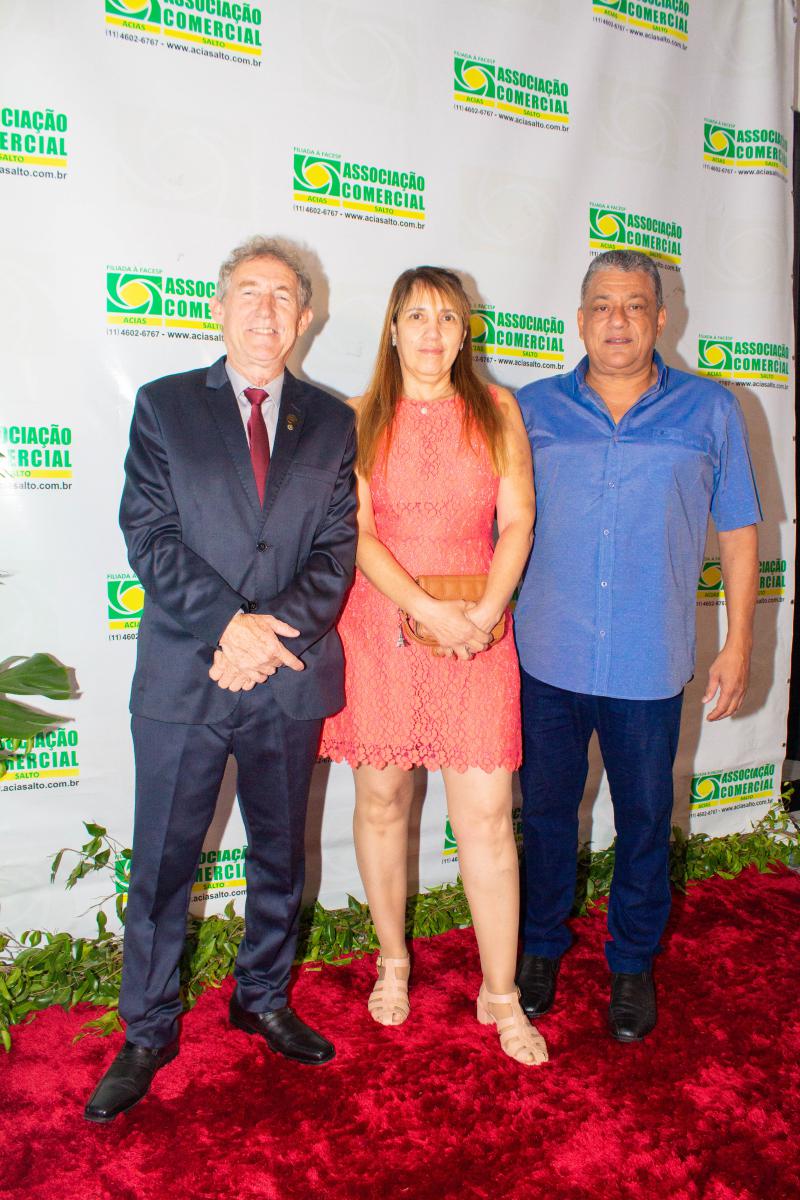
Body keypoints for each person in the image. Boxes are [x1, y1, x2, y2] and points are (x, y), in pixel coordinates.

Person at [84, 237, 357, 1122]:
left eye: (282, 296)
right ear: (217, 305)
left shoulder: (333, 420)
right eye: (248, 292)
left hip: (287, 677)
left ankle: (262, 997)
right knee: (164, 862)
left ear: (305, 317)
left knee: (281, 856)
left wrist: (265, 641)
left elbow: (336, 551)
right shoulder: (164, 406)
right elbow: (149, 534)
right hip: (185, 674)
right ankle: (148, 1028)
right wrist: (230, 628)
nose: (264, 311)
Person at [514, 249, 762, 1041]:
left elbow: (739, 532)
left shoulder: (711, 409)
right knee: (546, 815)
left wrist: (739, 641)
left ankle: (630, 964)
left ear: (661, 318)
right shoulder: (530, 410)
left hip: (649, 660)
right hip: (544, 655)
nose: (616, 320)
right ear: (579, 319)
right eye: (601, 305)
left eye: (633, 306)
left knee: (647, 818)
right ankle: (540, 948)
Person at [321, 266, 547, 1066]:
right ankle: (393, 960)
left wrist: (482, 614)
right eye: (416, 316)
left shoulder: (498, 409)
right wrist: (426, 609)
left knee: (486, 817)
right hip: (381, 627)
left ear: (464, 333)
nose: (431, 332)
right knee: (382, 801)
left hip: (479, 628)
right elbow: (355, 534)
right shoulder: (357, 417)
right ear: (391, 330)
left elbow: (518, 520)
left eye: (448, 318)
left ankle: (501, 993)